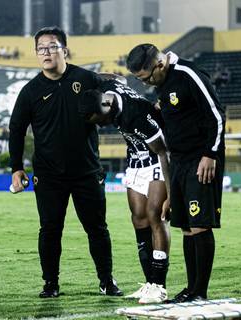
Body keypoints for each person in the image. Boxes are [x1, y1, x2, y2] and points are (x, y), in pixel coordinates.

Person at [8, 26, 122, 299]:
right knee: (49, 229)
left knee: (97, 228)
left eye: (52, 47)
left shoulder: (86, 78)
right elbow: (16, 130)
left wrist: (112, 92)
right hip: (48, 175)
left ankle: (106, 281)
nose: (46, 53)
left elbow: (113, 101)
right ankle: (50, 284)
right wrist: (16, 168)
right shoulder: (30, 91)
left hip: (87, 171)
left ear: (64, 50)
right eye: (41, 49)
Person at [126, 44, 226, 303]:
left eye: (146, 77)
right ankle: (191, 290)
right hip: (178, 160)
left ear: (159, 64)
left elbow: (216, 115)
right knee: (185, 227)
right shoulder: (163, 82)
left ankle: (200, 292)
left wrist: (210, 154)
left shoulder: (189, 74)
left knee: (199, 223)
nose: (146, 83)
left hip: (200, 158)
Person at [78, 75, 170, 304]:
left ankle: (159, 285)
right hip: (135, 162)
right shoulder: (107, 90)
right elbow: (117, 78)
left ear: (105, 106)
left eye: (99, 119)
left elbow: (163, 151)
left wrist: (172, 193)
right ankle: (149, 283)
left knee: (155, 216)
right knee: (138, 218)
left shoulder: (136, 115)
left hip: (158, 160)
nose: (100, 125)